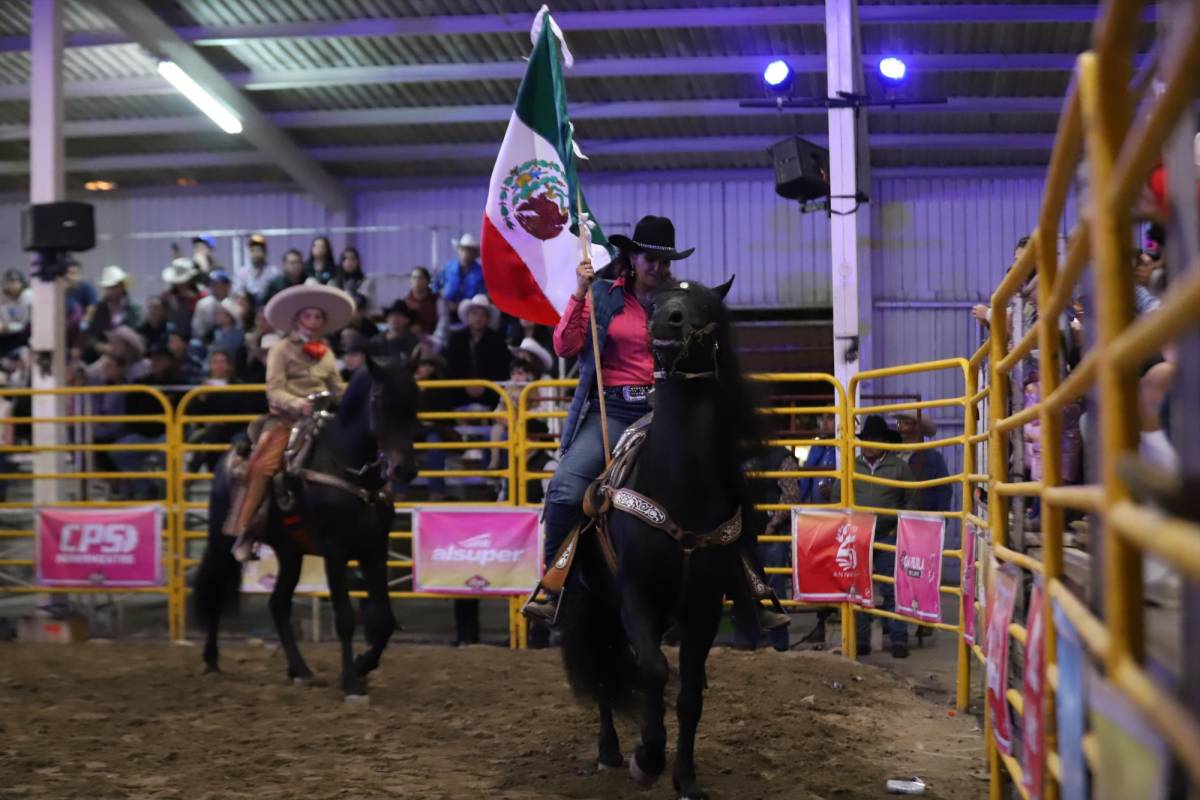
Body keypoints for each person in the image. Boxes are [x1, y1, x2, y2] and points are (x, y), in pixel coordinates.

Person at [526, 215, 788, 629]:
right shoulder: (602, 296)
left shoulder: (681, 301)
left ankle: (752, 587)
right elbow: (566, 344)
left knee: (732, 484)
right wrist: (580, 293)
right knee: (564, 490)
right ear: (631, 257)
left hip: (670, 408)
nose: (660, 269)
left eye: (666, 262)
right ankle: (557, 584)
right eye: (652, 260)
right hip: (611, 411)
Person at [224, 284, 354, 561]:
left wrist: (352, 397)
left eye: (319, 318)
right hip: (286, 418)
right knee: (262, 466)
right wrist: (297, 403)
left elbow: (337, 387)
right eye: (309, 317)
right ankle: (247, 529)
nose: (315, 322)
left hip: (323, 416)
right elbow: (273, 389)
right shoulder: (280, 349)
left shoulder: (327, 353)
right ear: (297, 320)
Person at [838, 415, 918, 658]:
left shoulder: (899, 467)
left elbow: (912, 499)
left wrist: (899, 526)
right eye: (866, 439)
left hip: (887, 534)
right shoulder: (852, 465)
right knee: (858, 586)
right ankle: (860, 639)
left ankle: (898, 639)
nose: (869, 444)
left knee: (892, 587)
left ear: (884, 442)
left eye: (875, 439)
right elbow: (837, 495)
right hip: (858, 535)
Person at [443, 294, 511, 407]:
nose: (478, 318)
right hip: (459, 391)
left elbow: (502, 368)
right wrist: (465, 385)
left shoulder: (497, 340)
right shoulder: (456, 339)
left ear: (488, 318)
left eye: (482, 314)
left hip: (490, 391)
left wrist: (484, 386)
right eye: (474, 313)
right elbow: (451, 366)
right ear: (468, 316)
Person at [893, 410, 951, 514]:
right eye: (899, 423)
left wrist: (939, 521)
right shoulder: (891, 455)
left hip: (921, 518)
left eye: (906, 423)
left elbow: (943, 492)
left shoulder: (933, 458)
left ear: (918, 428)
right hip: (893, 518)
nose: (900, 427)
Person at [83, 266, 143, 358]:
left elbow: (138, 331)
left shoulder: (134, 309)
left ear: (122, 286)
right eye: (108, 287)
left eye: (114, 287)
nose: (110, 291)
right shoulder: (98, 309)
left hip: (129, 356)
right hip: (105, 357)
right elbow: (90, 334)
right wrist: (99, 346)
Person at [433, 233, 486, 321]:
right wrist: (442, 299)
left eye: (469, 250)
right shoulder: (449, 267)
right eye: (463, 249)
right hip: (448, 310)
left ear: (474, 253)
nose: (466, 253)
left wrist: (464, 306)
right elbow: (435, 284)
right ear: (459, 251)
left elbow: (482, 294)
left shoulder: (480, 272)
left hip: (471, 312)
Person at [233, 234, 280, 307]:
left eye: (259, 250)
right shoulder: (241, 273)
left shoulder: (274, 272)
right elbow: (237, 293)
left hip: (268, 308)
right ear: (249, 253)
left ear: (265, 253)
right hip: (248, 312)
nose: (256, 253)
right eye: (253, 250)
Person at [191, 269, 233, 341]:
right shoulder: (203, 304)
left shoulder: (234, 302)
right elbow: (197, 328)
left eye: (218, 284)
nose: (214, 287)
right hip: (208, 340)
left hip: (231, 338)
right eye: (212, 284)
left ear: (227, 285)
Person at [329, 247, 374, 311]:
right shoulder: (333, 282)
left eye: (352, 259)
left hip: (357, 314)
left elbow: (362, 301)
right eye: (345, 259)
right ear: (341, 262)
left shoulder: (365, 281)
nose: (349, 262)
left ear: (357, 262)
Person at [161, 257, 199, 334]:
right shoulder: (168, 295)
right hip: (173, 332)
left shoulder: (199, 294)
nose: (180, 284)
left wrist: (193, 299)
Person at [0, 269, 32, 354]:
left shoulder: (27, 295)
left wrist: (10, 327)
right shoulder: (4, 297)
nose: (10, 285)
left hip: (27, 332)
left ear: (21, 282)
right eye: (7, 282)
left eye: (13, 282)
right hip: (11, 332)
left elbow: (27, 323)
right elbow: (6, 320)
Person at [405, 266, 439, 334]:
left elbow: (443, 322)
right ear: (410, 280)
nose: (417, 281)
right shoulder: (406, 302)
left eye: (420, 278)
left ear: (428, 281)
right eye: (414, 278)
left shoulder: (437, 300)